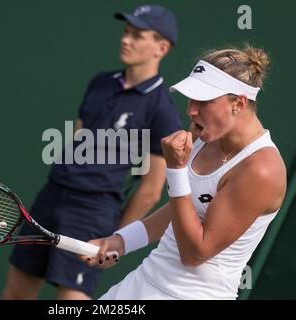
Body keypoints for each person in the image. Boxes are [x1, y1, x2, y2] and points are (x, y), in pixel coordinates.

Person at [2, 4, 182, 300]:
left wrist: (117, 239)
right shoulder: (100, 83)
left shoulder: (161, 109)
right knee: (15, 295)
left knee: (71, 303)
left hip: (91, 214)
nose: (126, 40)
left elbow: (151, 190)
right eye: (126, 32)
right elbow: (77, 140)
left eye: (138, 36)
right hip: (52, 197)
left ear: (161, 47)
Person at [81, 44, 287, 300]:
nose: (191, 110)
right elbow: (184, 209)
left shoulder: (262, 170)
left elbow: (195, 253)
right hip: (144, 281)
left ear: (238, 103)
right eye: (191, 99)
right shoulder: (204, 134)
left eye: (203, 101)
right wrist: (122, 241)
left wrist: (176, 170)